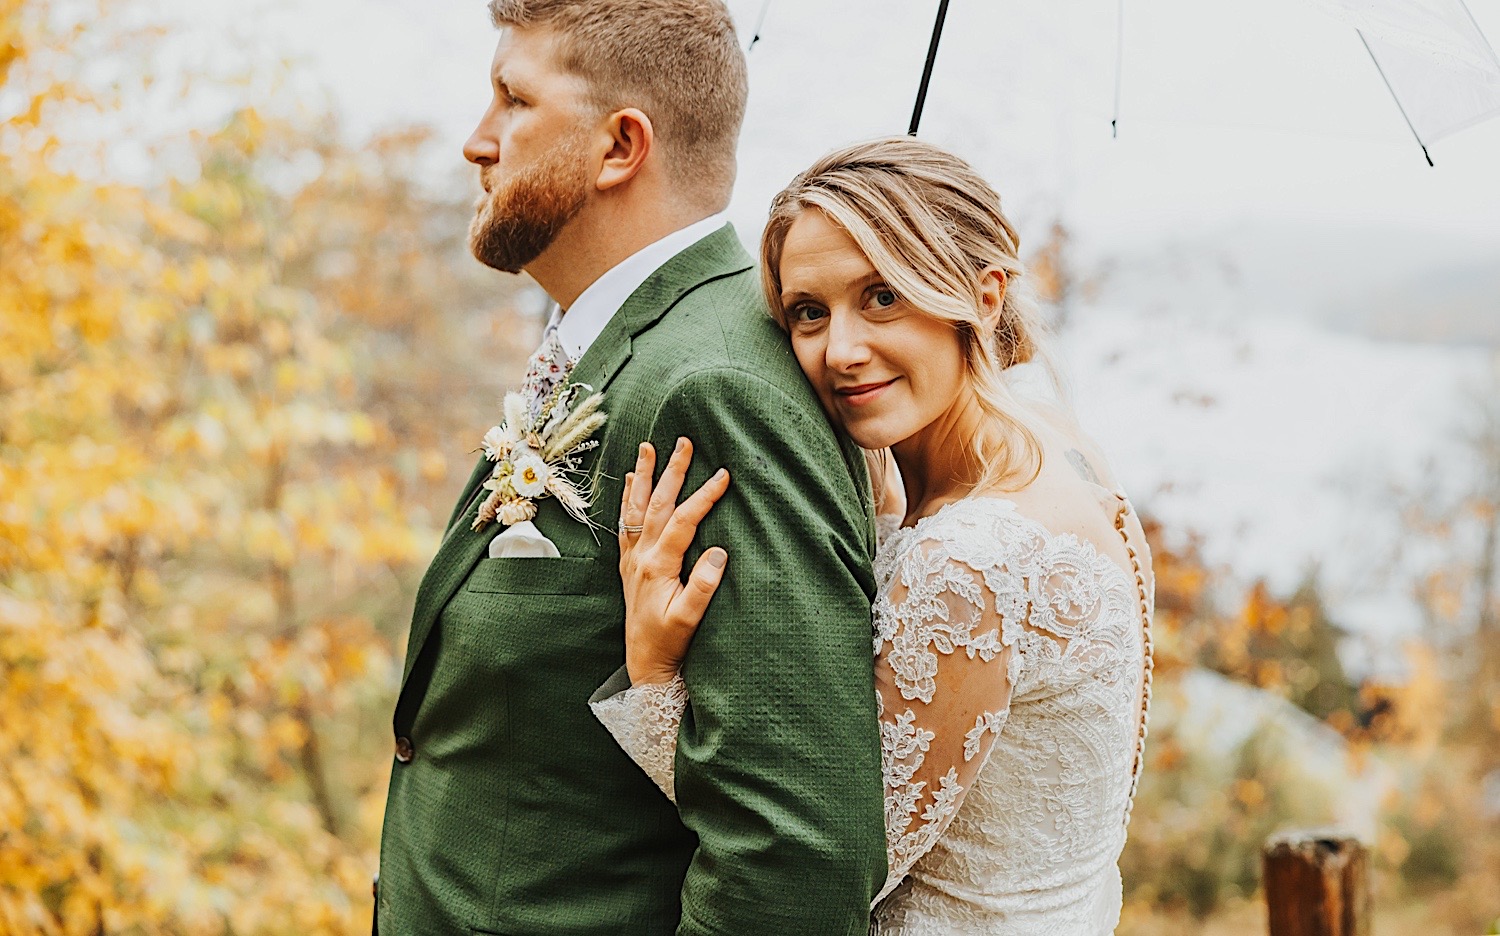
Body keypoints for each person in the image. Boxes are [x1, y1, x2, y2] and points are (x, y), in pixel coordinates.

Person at [373, 2, 886, 934]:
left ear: (620, 147)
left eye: (512, 100)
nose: (475, 142)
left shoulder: (714, 385)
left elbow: (793, 858)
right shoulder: (617, 347)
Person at [590, 137, 1157, 934]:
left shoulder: (969, 562)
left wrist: (653, 677)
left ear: (984, 295)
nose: (842, 353)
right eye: (809, 313)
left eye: (883, 296)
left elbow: (814, 863)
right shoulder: (1062, 450)